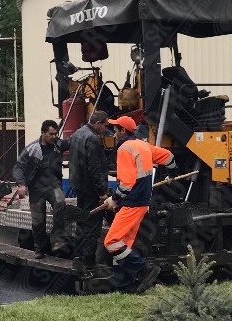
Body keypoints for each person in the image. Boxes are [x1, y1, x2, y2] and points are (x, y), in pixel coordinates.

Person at [101, 115, 175, 292]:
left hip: (132, 203)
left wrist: (114, 199)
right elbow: (168, 156)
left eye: (116, 130)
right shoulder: (143, 145)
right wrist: (171, 175)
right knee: (124, 243)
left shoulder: (124, 149)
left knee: (111, 241)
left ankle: (145, 269)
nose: (114, 133)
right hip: (141, 202)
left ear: (123, 131)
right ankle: (124, 285)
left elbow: (127, 183)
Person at [13, 120, 67, 256]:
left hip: (53, 186)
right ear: (43, 133)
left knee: (61, 205)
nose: (54, 137)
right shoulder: (32, 149)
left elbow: (72, 142)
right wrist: (21, 184)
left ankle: (57, 241)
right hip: (36, 189)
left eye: (56, 134)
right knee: (38, 221)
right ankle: (39, 249)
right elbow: (19, 168)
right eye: (51, 134)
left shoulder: (58, 144)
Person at [67, 110, 111, 271]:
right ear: (98, 123)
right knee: (92, 226)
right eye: (105, 126)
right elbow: (94, 168)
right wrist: (102, 192)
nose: (106, 129)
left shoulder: (77, 134)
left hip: (79, 186)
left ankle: (78, 256)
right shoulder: (92, 139)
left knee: (81, 222)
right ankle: (88, 261)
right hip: (91, 190)